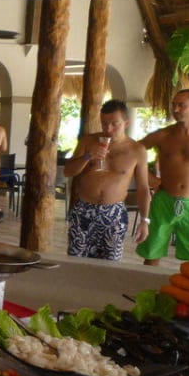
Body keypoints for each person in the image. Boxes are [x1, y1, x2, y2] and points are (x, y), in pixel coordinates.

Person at [136, 88, 189, 265]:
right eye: (174, 105)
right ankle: (146, 281)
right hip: (163, 200)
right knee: (152, 251)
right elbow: (133, 153)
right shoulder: (162, 135)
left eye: (181, 105)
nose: (175, 110)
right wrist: (150, 179)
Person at [63, 100, 151, 260]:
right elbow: (68, 171)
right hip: (84, 210)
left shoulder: (137, 150)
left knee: (111, 263)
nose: (108, 129)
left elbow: (143, 188)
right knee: (76, 261)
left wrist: (144, 220)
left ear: (126, 123)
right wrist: (87, 156)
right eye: (104, 124)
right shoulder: (88, 141)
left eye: (114, 124)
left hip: (114, 213)